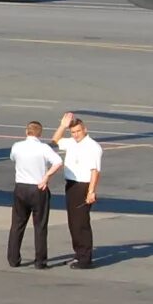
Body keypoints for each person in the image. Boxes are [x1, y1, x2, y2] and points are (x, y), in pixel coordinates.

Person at [8, 120, 62, 268]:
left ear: (27, 132)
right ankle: (40, 261)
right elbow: (58, 162)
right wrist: (47, 177)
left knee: (17, 224)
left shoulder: (17, 146)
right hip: (38, 188)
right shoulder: (43, 148)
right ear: (40, 133)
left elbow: (12, 158)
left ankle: (13, 258)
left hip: (21, 187)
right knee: (40, 226)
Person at [53, 112, 103, 269]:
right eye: (73, 132)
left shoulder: (93, 146)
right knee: (73, 222)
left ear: (85, 130)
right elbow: (56, 140)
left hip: (83, 186)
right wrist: (62, 126)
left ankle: (85, 259)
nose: (76, 135)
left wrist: (91, 191)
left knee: (81, 223)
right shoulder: (72, 142)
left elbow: (95, 171)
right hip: (71, 185)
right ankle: (79, 254)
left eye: (78, 131)